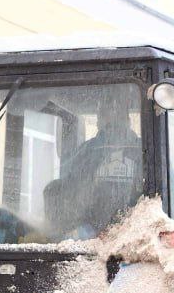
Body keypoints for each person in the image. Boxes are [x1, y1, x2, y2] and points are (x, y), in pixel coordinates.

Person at [47, 89, 143, 237]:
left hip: (132, 233)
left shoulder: (143, 150)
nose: (102, 118)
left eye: (110, 111)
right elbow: (69, 190)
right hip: (113, 234)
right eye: (103, 112)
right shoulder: (88, 151)